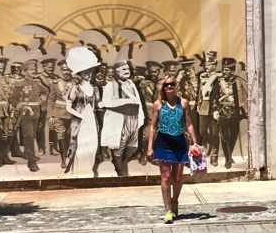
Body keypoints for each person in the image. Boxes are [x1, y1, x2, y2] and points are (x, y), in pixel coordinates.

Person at [147, 76, 200, 224]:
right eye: (166, 85)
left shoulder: (183, 103)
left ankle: (174, 201)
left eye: (172, 84)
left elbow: (188, 124)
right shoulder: (158, 104)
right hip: (163, 142)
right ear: (162, 87)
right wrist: (150, 147)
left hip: (179, 142)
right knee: (165, 176)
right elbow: (152, 127)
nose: (169, 87)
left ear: (176, 86)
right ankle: (168, 211)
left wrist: (195, 142)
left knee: (177, 178)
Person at [99, 59, 145, 176]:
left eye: (128, 69)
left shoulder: (131, 83)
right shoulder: (111, 84)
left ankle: (119, 164)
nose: (127, 71)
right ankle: (120, 173)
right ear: (117, 72)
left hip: (133, 118)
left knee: (132, 147)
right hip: (120, 118)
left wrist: (141, 116)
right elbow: (106, 101)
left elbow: (138, 101)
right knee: (119, 146)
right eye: (124, 69)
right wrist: (125, 101)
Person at [64, 47, 102, 178]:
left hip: (92, 123)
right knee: (79, 148)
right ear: (79, 73)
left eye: (90, 71)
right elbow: (68, 106)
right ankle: (79, 174)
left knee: (92, 147)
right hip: (79, 123)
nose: (89, 74)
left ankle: (89, 172)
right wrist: (81, 116)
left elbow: (99, 104)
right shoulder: (74, 88)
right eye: (86, 72)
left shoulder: (95, 88)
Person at [208, 58, 246, 169]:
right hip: (223, 112)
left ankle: (229, 155)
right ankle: (228, 159)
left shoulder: (238, 81)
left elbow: (242, 98)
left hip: (235, 113)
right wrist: (215, 110)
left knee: (233, 136)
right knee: (225, 136)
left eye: (227, 70)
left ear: (233, 71)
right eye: (223, 70)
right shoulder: (219, 82)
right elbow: (213, 97)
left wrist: (243, 111)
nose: (224, 72)